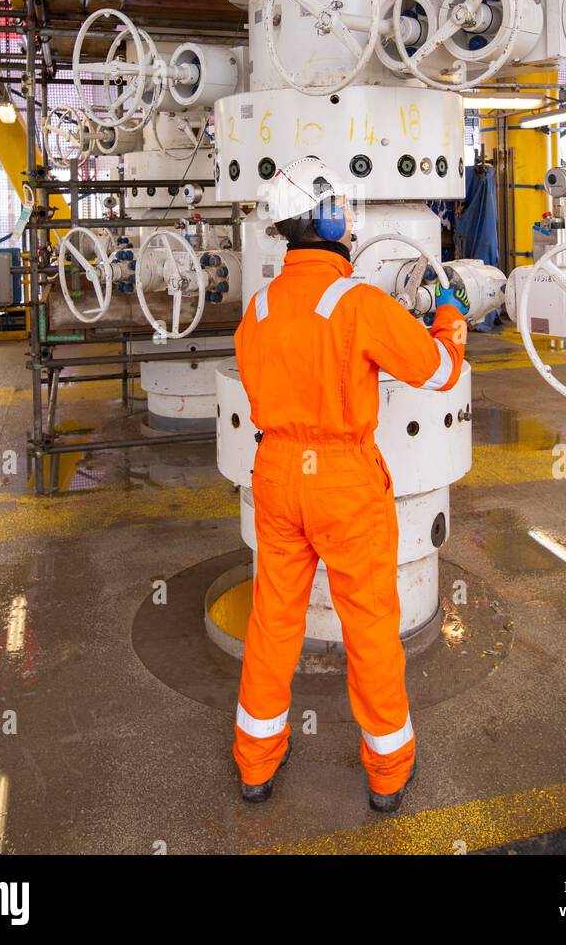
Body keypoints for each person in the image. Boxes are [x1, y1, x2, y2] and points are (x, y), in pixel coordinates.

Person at [232, 155, 469, 811]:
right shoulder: (357, 303)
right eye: (343, 203)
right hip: (343, 481)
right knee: (368, 624)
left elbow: (260, 385)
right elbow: (440, 371)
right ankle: (388, 773)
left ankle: (255, 763)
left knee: (274, 620)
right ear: (330, 217)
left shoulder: (258, 306)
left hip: (277, 472)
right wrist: (450, 316)